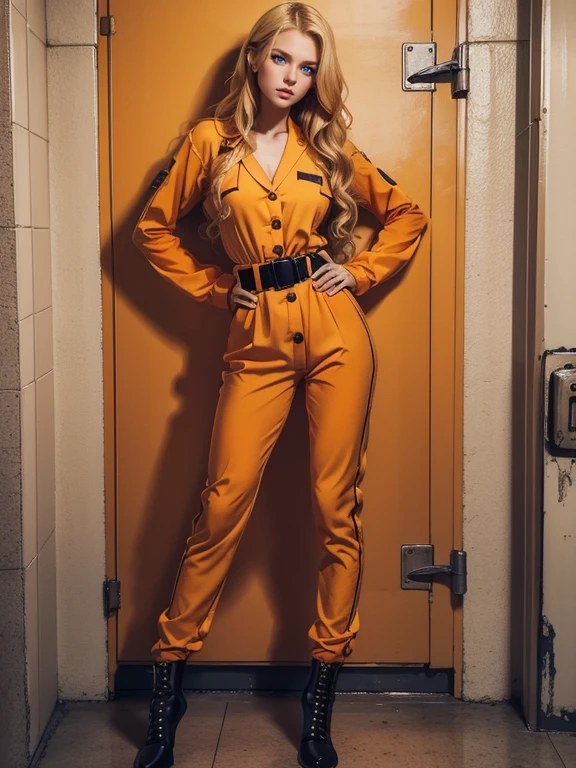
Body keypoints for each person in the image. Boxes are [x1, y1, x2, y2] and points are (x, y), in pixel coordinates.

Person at [131, 3, 427, 767]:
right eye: (282, 61)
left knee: (337, 508)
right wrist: (209, 289)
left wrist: (358, 272)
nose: (293, 78)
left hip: (334, 337)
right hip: (255, 338)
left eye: (307, 66)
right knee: (222, 502)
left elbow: (409, 214)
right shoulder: (210, 144)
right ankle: (168, 683)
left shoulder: (325, 146)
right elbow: (151, 229)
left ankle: (320, 692)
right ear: (255, 61)